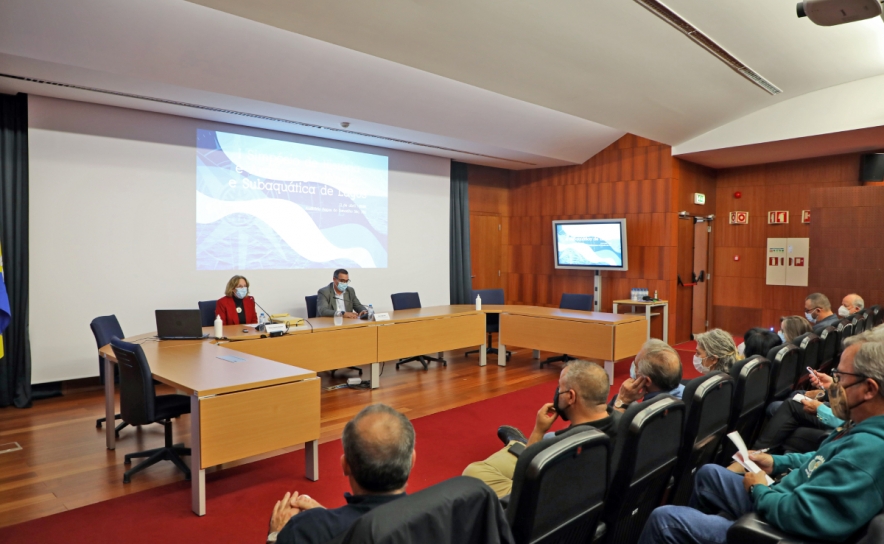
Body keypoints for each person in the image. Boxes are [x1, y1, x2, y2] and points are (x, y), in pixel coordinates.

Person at [638, 329, 884, 544]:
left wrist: (758, 491)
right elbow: (821, 459)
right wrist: (777, 462)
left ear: (869, 389)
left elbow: (803, 516)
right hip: (783, 496)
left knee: (665, 520)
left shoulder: (867, 451)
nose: (834, 385)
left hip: (778, 528)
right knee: (708, 474)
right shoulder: (861, 427)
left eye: (841, 378)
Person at [462, 360, 620, 497]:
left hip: (538, 504)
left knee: (474, 472)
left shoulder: (566, 447)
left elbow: (522, 478)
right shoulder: (620, 423)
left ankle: (518, 443)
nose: (557, 392)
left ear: (571, 397)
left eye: (560, 388)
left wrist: (538, 431)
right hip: (584, 504)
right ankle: (517, 444)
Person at [266, 404, 415, 544]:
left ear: (345, 465)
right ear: (412, 460)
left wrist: (277, 535)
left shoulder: (303, 530)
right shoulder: (432, 518)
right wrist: (330, 518)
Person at [612, 339, 684, 411]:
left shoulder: (645, 413)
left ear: (647, 381)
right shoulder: (687, 394)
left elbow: (616, 422)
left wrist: (622, 401)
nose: (633, 367)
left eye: (636, 366)